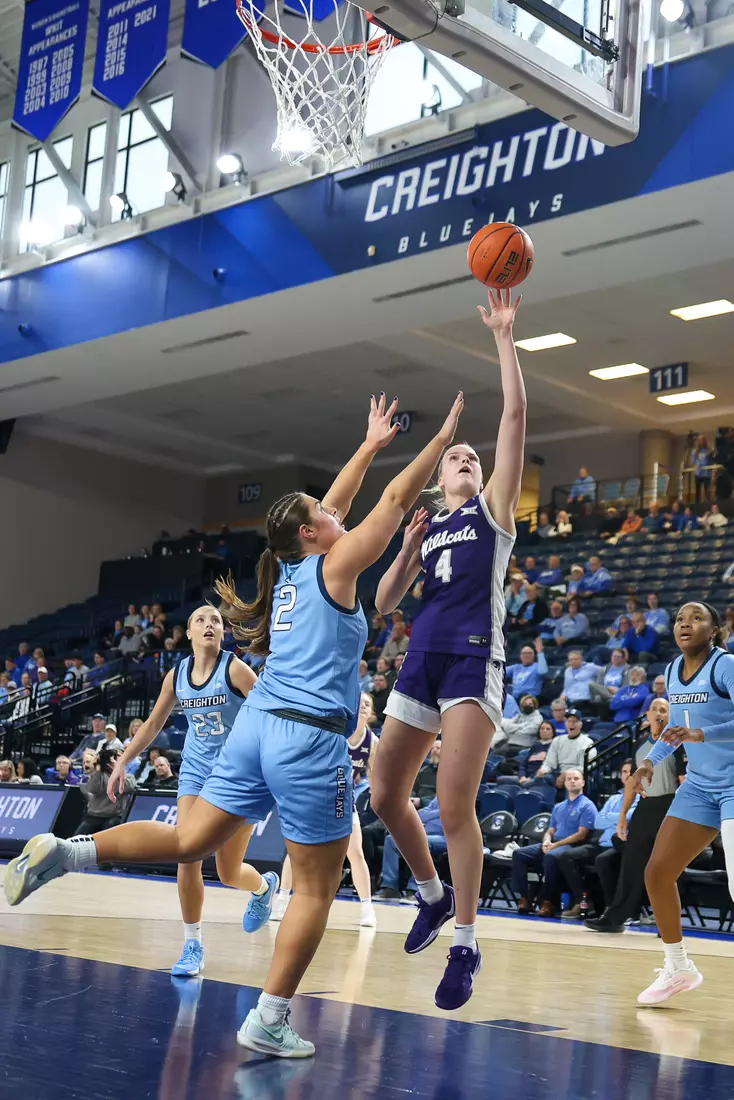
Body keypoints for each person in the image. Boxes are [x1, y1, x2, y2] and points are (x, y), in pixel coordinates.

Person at [5, 390, 464, 1059]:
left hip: (257, 729)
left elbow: (336, 503)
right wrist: (440, 434)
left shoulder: (290, 568)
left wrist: (368, 443)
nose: (336, 513)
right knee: (315, 884)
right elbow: (393, 503)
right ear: (312, 531)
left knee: (191, 839)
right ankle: (269, 1018)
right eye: (325, 514)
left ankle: (66, 852)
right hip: (307, 738)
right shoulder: (333, 564)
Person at [370, 288, 525, 1011]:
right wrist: (403, 553)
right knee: (384, 794)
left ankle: (465, 943)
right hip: (420, 661)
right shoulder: (428, 529)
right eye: (455, 456)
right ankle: (430, 896)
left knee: (455, 805)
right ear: (438, 478)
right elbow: (382, 604)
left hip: (471, 658)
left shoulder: (493, 511)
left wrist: (503, 336)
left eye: (472, 455)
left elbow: (515, 418)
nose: (464, 458)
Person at [629, 602, 734, 1005]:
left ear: (714, 629)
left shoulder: (724, 665)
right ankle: (678, 967)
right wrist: (649, 765)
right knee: (657, 873)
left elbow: (695, 732)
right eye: (679, 619)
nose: (685, 624)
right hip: (701, 786)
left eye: (697, 618)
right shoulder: (673, 670)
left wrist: (702, 735)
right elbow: (676, 732)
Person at [583, 698, 683, 936]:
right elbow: (631, 783)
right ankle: (615, 919)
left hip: (670, 806)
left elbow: (683, 783)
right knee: (631, 865)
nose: (659, 713)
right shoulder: (639, 744)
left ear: (670, 716)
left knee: (665, 867)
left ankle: (667, 923)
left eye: (664, 710)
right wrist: (623, 816)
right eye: (655, 709)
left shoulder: (678, 744)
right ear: (647, 715)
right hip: (646, 806)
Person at [511, 769, 596, 917]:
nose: (572, 781)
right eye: (569, 779)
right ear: (564, 783)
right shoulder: (559, 806)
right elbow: (550, 830)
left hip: (572, 846)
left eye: (576, 778)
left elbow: (582, 834)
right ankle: (525, 898)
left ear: (583, 782)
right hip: (553, 843)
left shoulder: (587, 806)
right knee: (519, 854)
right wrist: (546, 841)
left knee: (550, 856)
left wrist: (554, 846)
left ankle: (548, 901)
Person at [534, 710, 596, 787]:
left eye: (575, 721)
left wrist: (567, 774)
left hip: (578, 776)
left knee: (571, 781)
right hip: (558, 775)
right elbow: (549, 763)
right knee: (541, 777)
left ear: (581, 724)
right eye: (569, 721)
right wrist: (543, 770)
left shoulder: (588, 743)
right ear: (566, 724)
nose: (571, 724)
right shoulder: (557, 740)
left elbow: (586, 767)